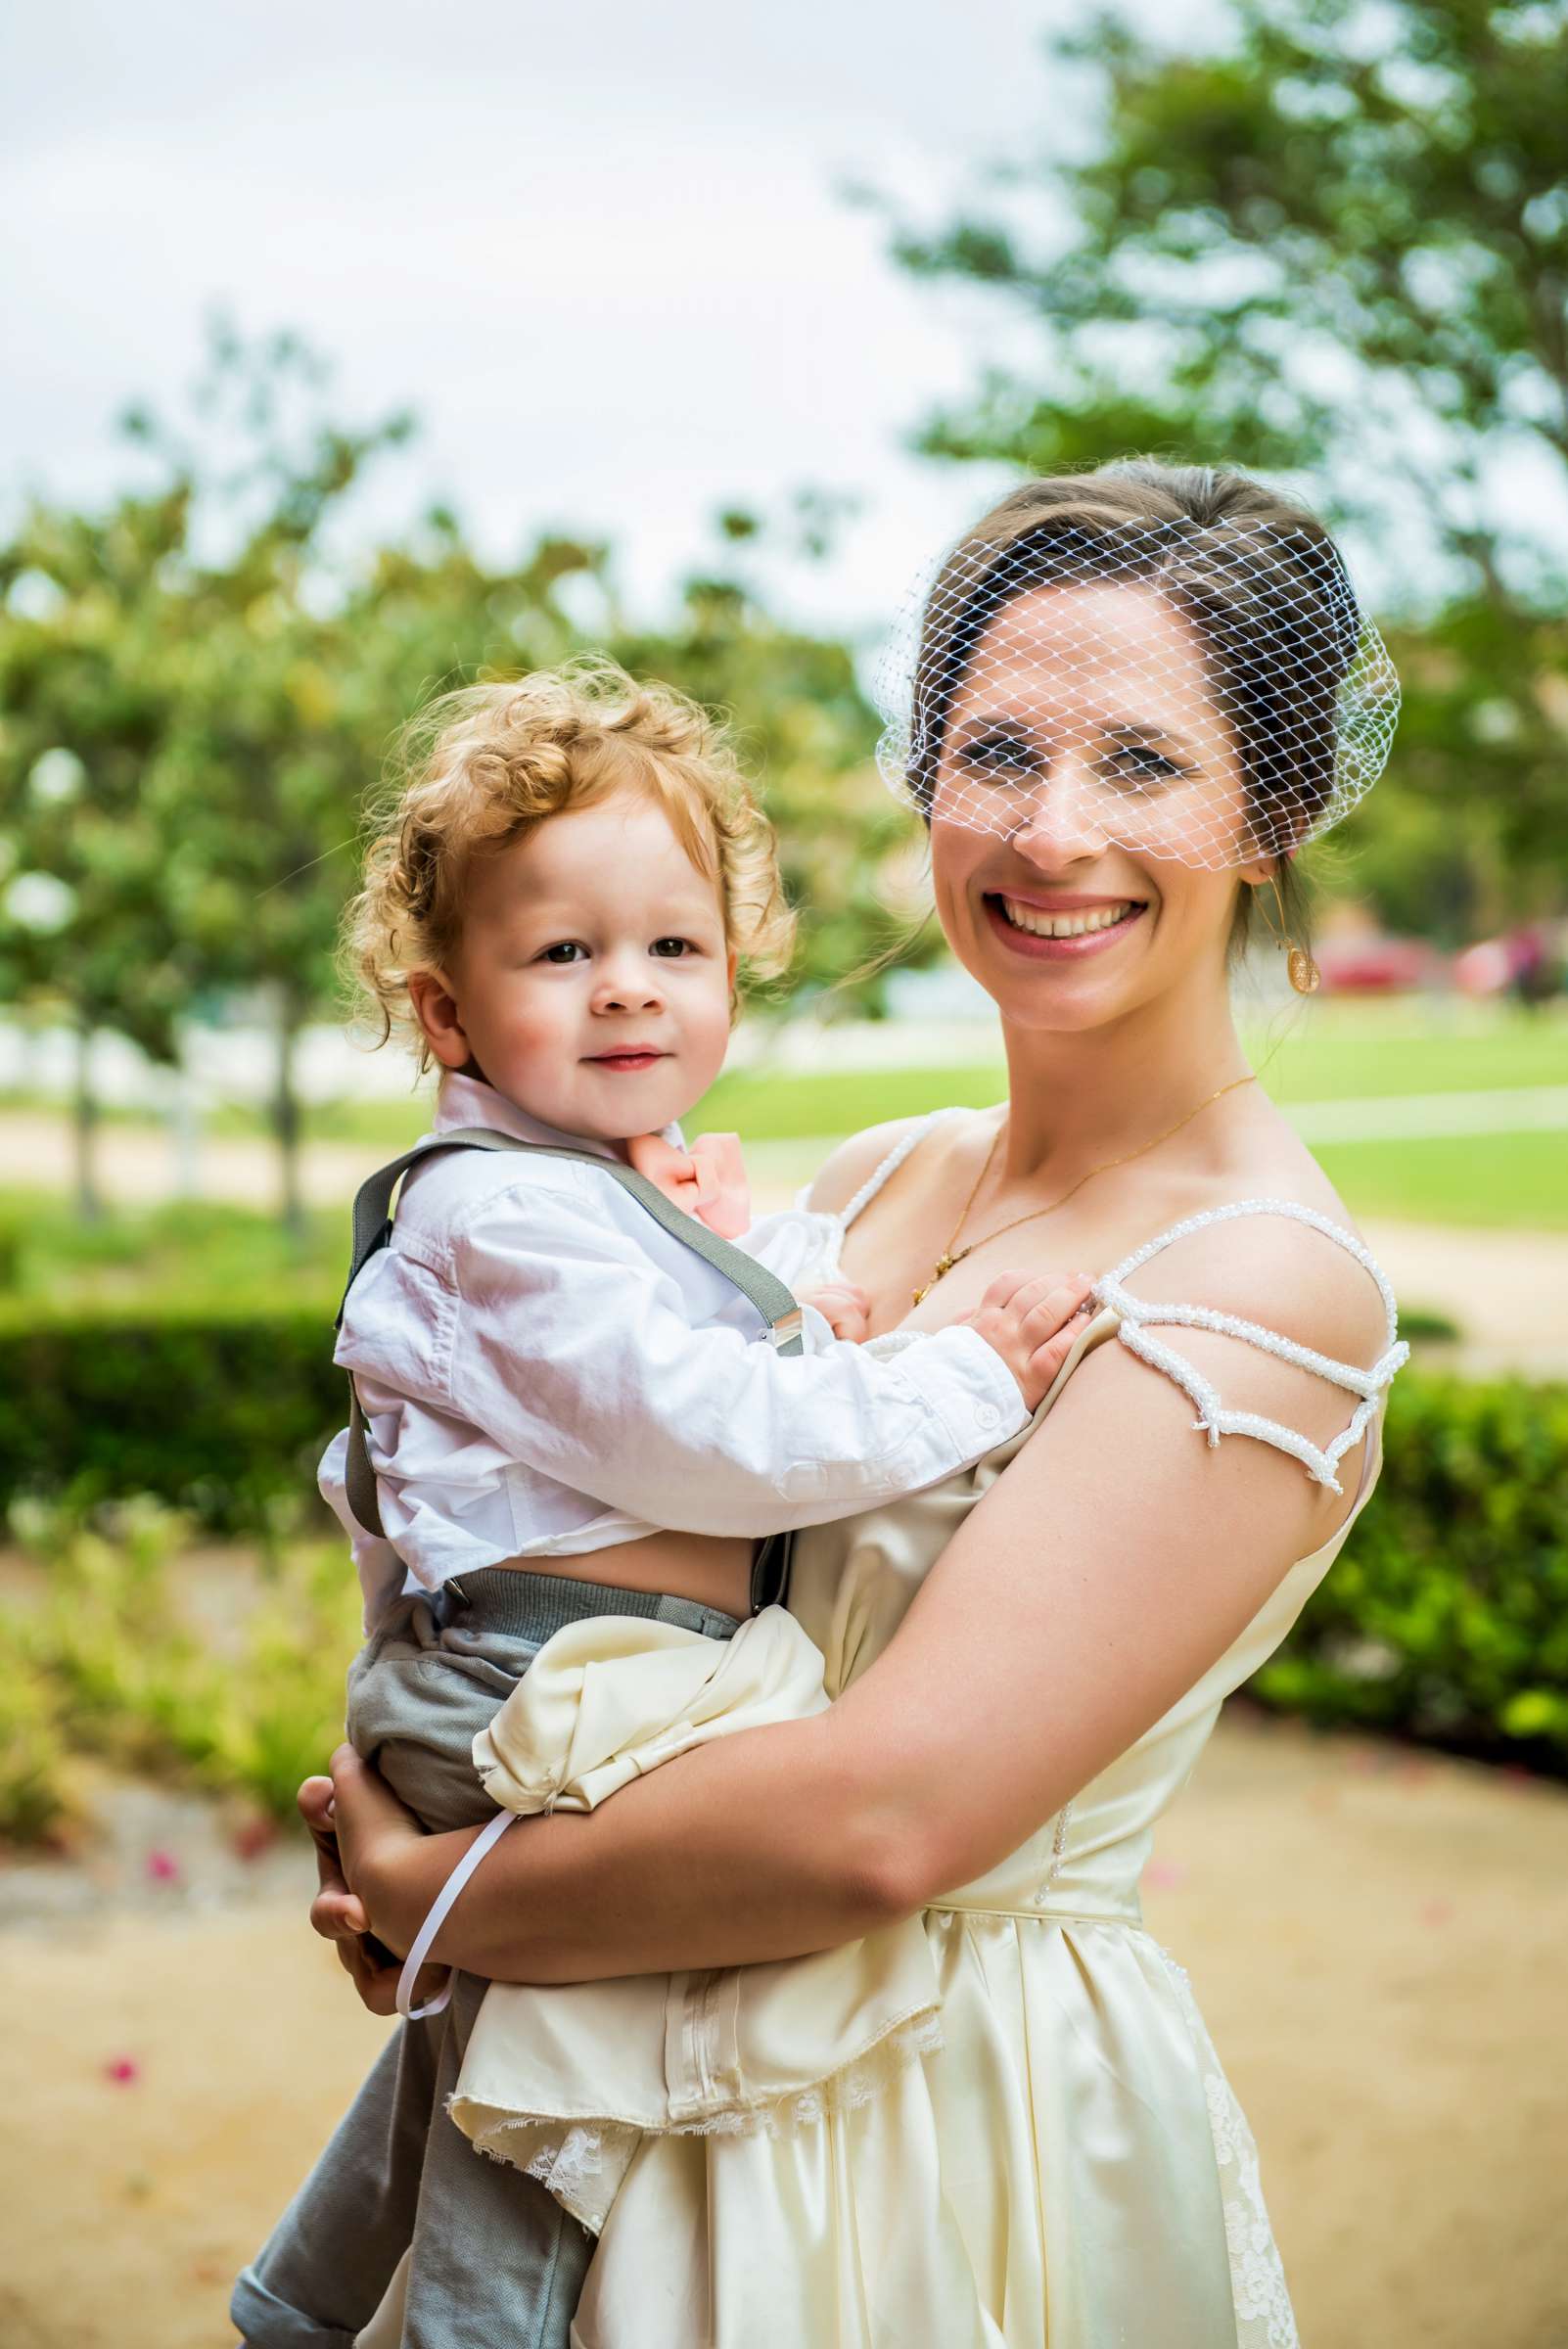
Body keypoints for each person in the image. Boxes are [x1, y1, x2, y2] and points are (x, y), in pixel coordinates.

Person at [306, 460, 1411, 2346]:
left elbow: (883, 1824)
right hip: (626, 2042)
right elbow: (556, 1483)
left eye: (1142, 762)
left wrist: (446, 1890)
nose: (1051, 832)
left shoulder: (1262, 1288)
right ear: (921, 782)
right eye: (994, 754)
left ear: (1274, 806)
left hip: (925, 2114)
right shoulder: (885, 1177)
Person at [231, 660, 1093, 2349]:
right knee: (572, 2073)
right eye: (563, 954)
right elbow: (705, 1435)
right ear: (445, 1011)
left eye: (671, 949)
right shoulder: (502, 1221)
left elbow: (678, 1352)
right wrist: (962, 1377)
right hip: (538, 1684)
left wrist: (786, 1283)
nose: (627, 993)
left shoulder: (578, 1192)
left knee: (492, 2039)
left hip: (571, 1672)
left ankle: (307, 2295)